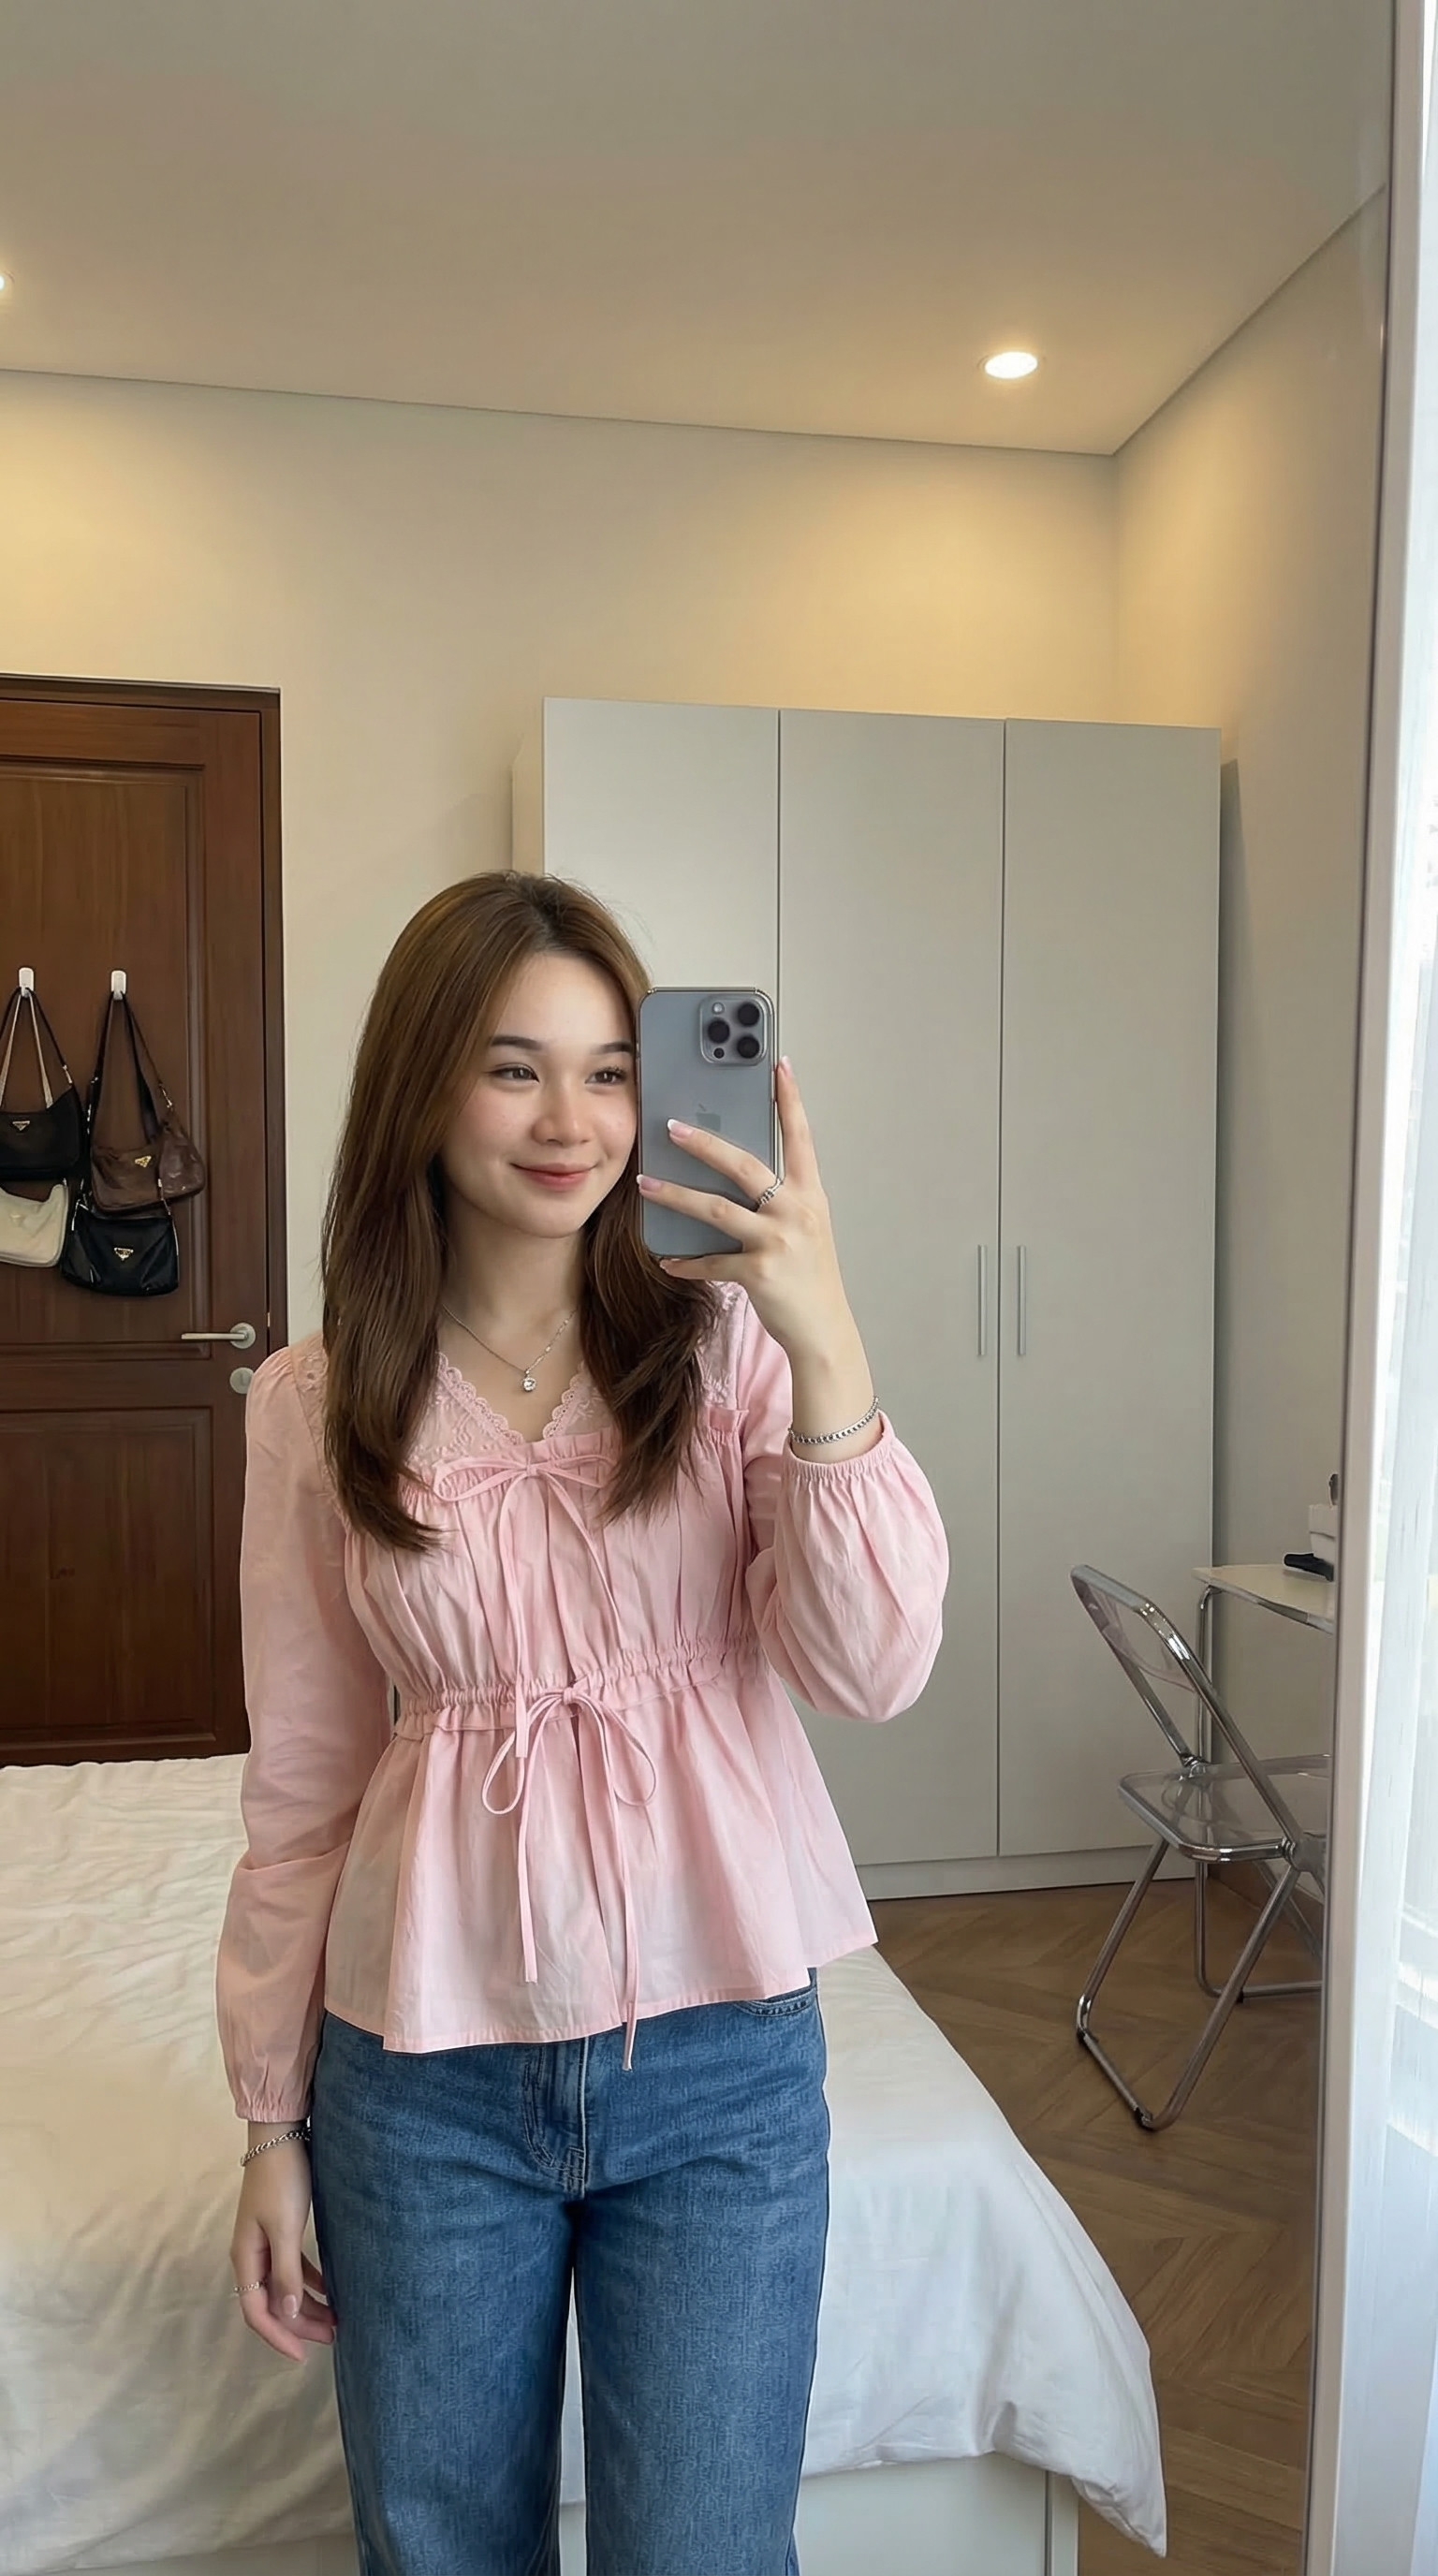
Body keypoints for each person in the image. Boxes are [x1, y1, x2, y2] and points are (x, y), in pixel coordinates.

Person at [215, 870, 948, 2576]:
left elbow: (870, 1667)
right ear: (420, 1087)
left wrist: (826, 1335)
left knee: (705, 2552)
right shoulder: (317, 1400)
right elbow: (304, 1784)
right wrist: (269, 2122)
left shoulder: (730, 1350)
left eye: (613, 1070)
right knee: (438, 2550)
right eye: (514, 1068)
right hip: (419, 2083)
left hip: (721, 2065)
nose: (574, 1122)